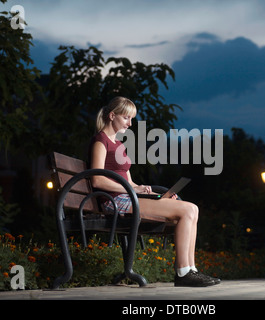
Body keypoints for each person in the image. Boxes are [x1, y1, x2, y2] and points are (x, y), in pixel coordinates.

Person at [89, 97, 220, 287]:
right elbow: (97, 179)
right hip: (114, 202)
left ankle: (191, 269)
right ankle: (183, 273)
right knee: (186, 210)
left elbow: (129, 181)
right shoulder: (100, 141)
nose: (130, 123)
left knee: (192, 209)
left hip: (128, 197)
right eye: (126, 118)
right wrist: (132, 189)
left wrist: (147, 192)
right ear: (112, 116)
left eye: (131, 118)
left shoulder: (118, 145)